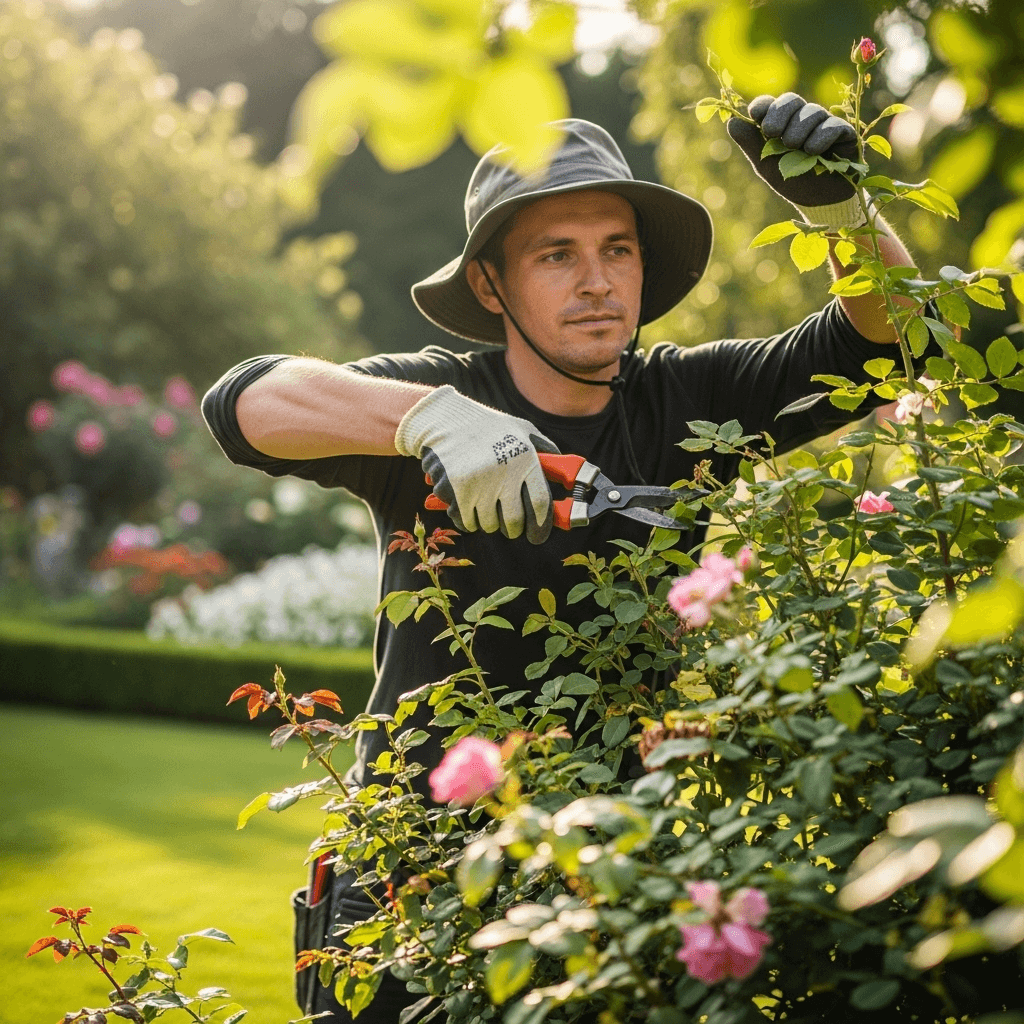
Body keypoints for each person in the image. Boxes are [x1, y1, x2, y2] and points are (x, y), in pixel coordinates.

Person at [203, 96, 920, 1020]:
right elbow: (245, 403)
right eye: (556, 255)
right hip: (413, 872)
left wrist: (843, 212)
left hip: (611, 872)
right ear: (489, 285)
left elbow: (886, 340)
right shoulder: (439, 395)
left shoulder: (693, 400)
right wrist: (428, 421)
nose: (597, 281)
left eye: (616, 249)